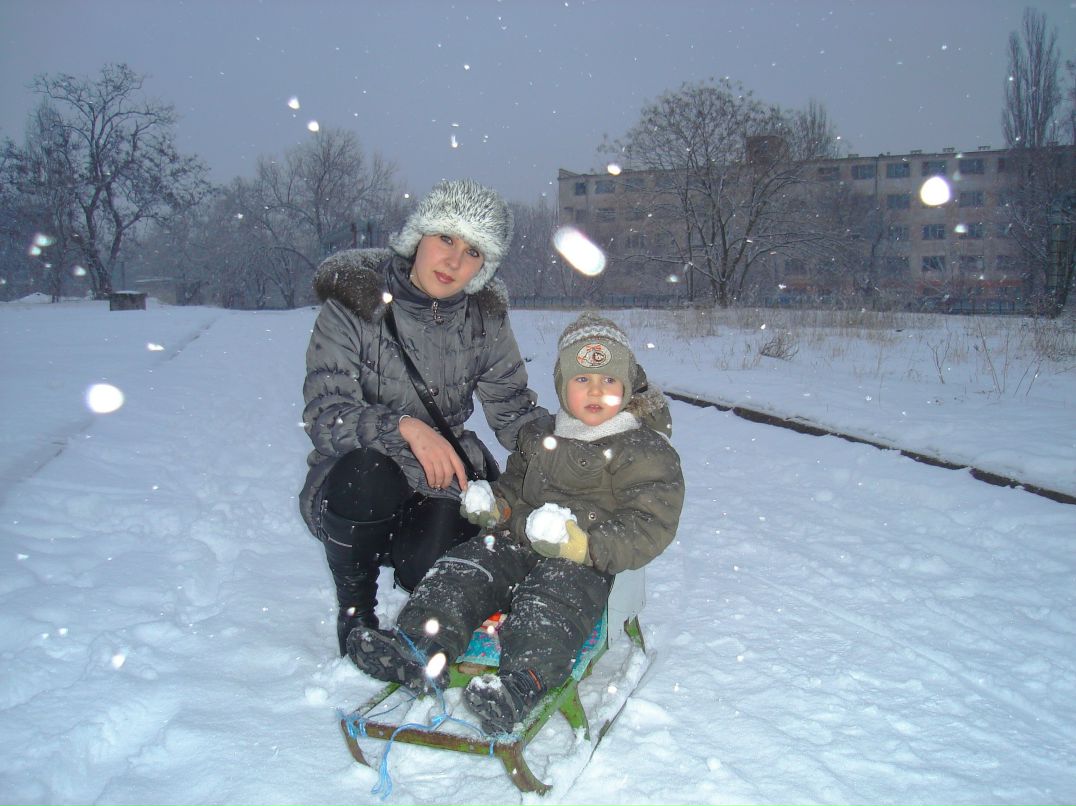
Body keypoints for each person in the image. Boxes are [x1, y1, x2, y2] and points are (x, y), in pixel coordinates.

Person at [347, 313, 685, 734]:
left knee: (551, 600)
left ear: (627, 387)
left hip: (584, 560)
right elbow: (514, 486)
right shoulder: (540, 435)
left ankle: (523, 682)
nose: (595, 391)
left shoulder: (644, 449)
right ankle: (419, 646)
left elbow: (650, 524)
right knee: (465, 567)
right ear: (564, 385)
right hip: (518, 539)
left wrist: (584, 546)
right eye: (582, 380)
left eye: (608, 381)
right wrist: (496, 506)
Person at [299, 179, 549, 656]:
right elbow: (326, 417)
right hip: (363, 471)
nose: (454, 261)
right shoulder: (352, 307)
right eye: (446, 239)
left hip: (442, 476)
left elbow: (513, 409)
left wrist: (577, 446)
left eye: (473, 251)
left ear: (484, 266)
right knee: (364, 475)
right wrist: (406, 428)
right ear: (419, 237)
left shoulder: (484, 318)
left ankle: (417, 581)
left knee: (426, 565)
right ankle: (356, 614)